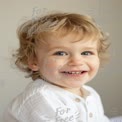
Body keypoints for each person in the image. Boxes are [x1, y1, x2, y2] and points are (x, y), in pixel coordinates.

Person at [3, 12, 110, 122]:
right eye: (60, 53)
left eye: (86, 53)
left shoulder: (90, 93)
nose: (77, 61)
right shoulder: (41, 98)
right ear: (34, 61)